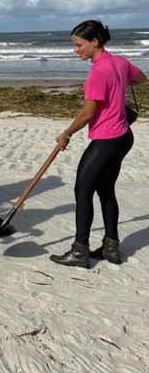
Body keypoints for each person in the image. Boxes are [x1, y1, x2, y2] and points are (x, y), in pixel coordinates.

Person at [50, 20, 147, 269]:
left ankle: (80, 251)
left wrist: (66, 133)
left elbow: (86, 114)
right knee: (106, 191)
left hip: (106, 140)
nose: (75, 50)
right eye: (74, 45)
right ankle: (111, 248)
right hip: (124, 137)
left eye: (78, 45)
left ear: (95, 42)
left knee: (82, 192)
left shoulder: (98, 71)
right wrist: (119, 89)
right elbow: (142, 79)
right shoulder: (120, 62)